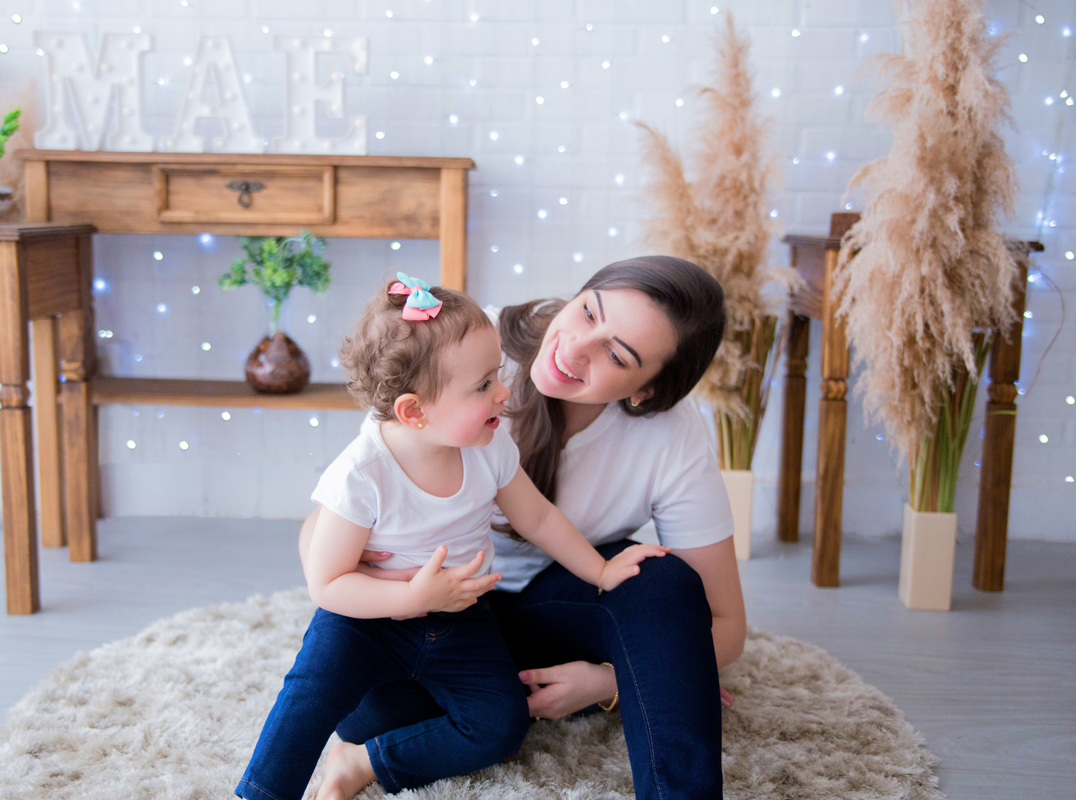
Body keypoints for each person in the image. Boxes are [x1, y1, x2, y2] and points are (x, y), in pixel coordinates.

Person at [300, 256, 746, 800]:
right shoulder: (468, 344)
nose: (575, 348)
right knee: (371, 714)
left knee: (662, 581)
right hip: (437, 615)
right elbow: (325, 527)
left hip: (553, 606)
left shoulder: (673, 437)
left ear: (646, 390)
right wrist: (391, 589)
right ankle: (382, 752)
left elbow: (725, 624)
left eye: (616, 355)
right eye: (589, 313)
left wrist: (608, 682)